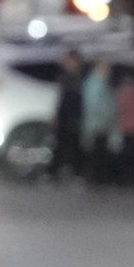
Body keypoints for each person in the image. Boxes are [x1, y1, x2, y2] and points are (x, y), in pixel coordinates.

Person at [48, 51, 85, 182]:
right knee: (60, 146)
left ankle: (74, 173)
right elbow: (61, 101)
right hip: (65, 118)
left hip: (74, 118)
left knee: (74, 147)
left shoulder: (79, 78)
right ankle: (54, 174)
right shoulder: (67, 78)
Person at [79, 59, 118, 184]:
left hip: (99, 124)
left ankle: (96, 178)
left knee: (98, 152)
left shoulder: (98, 83)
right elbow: (96, 105)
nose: (108, 72)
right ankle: (96, 179)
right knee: (98, 153)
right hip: (98, 125)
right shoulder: (96, 84)